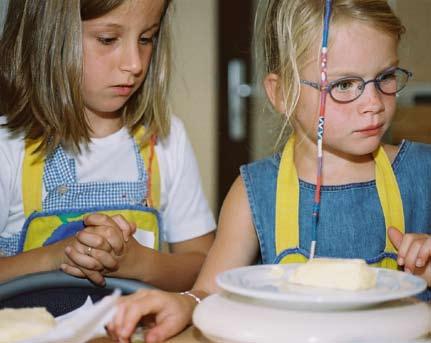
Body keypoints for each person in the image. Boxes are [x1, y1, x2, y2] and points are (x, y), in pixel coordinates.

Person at [106, 0, 431, 342]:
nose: (374, 103)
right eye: (344, 85)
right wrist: (183, 305)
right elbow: (208, 295)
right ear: (281, 92)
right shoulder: (254, 191)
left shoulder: (423, 172)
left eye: (386, 78)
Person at [0, 0, 216, 291]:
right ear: (47, 37)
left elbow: (204, 265)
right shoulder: (9, 144)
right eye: (107, 39)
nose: (135, 63)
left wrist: (141, 264)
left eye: (146, 38)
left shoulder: (164, 139)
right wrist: (55, 257)